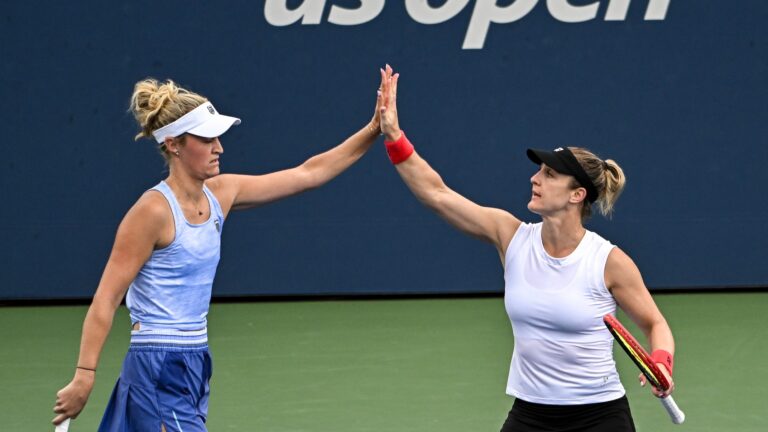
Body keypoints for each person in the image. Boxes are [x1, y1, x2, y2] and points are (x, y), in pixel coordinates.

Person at [52, 72, 385, 431]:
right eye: (207, 139)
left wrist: (374, 128)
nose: (219, 148)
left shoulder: (222, 193)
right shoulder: (151, 212)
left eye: (218, 138)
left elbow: (309, 173)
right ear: (175, 144)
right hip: (158, 365)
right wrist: (85, 375)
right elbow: (106, 299)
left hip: (196, 360)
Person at [376, 68, 676, 431]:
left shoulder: (608, 262)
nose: (535, 178)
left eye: (550, 175)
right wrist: (393, 135)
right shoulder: (511, 236)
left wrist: (661, 360)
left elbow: (654, 323)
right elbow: (437, 194)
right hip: (530, 415)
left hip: (600, 416)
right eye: (539, 171)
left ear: (576, 194)